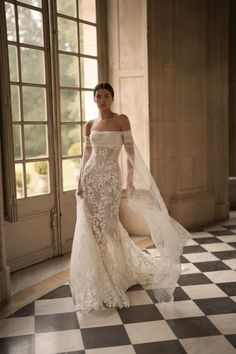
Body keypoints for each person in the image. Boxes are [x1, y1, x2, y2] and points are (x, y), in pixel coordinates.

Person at [70, 82, 190, 312]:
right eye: (98, 96)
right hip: (91, 178)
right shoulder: (90, 124)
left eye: (106, 95)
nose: (102, 99)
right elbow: (86, 154)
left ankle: (116, 270)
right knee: (92, 228)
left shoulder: (121, 120)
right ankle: (98, 273)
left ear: (112, 98)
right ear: (94, 99)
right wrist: (80, 182)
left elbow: (131, 153)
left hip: (111, 180)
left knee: (109, 225)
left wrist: (130, 181)